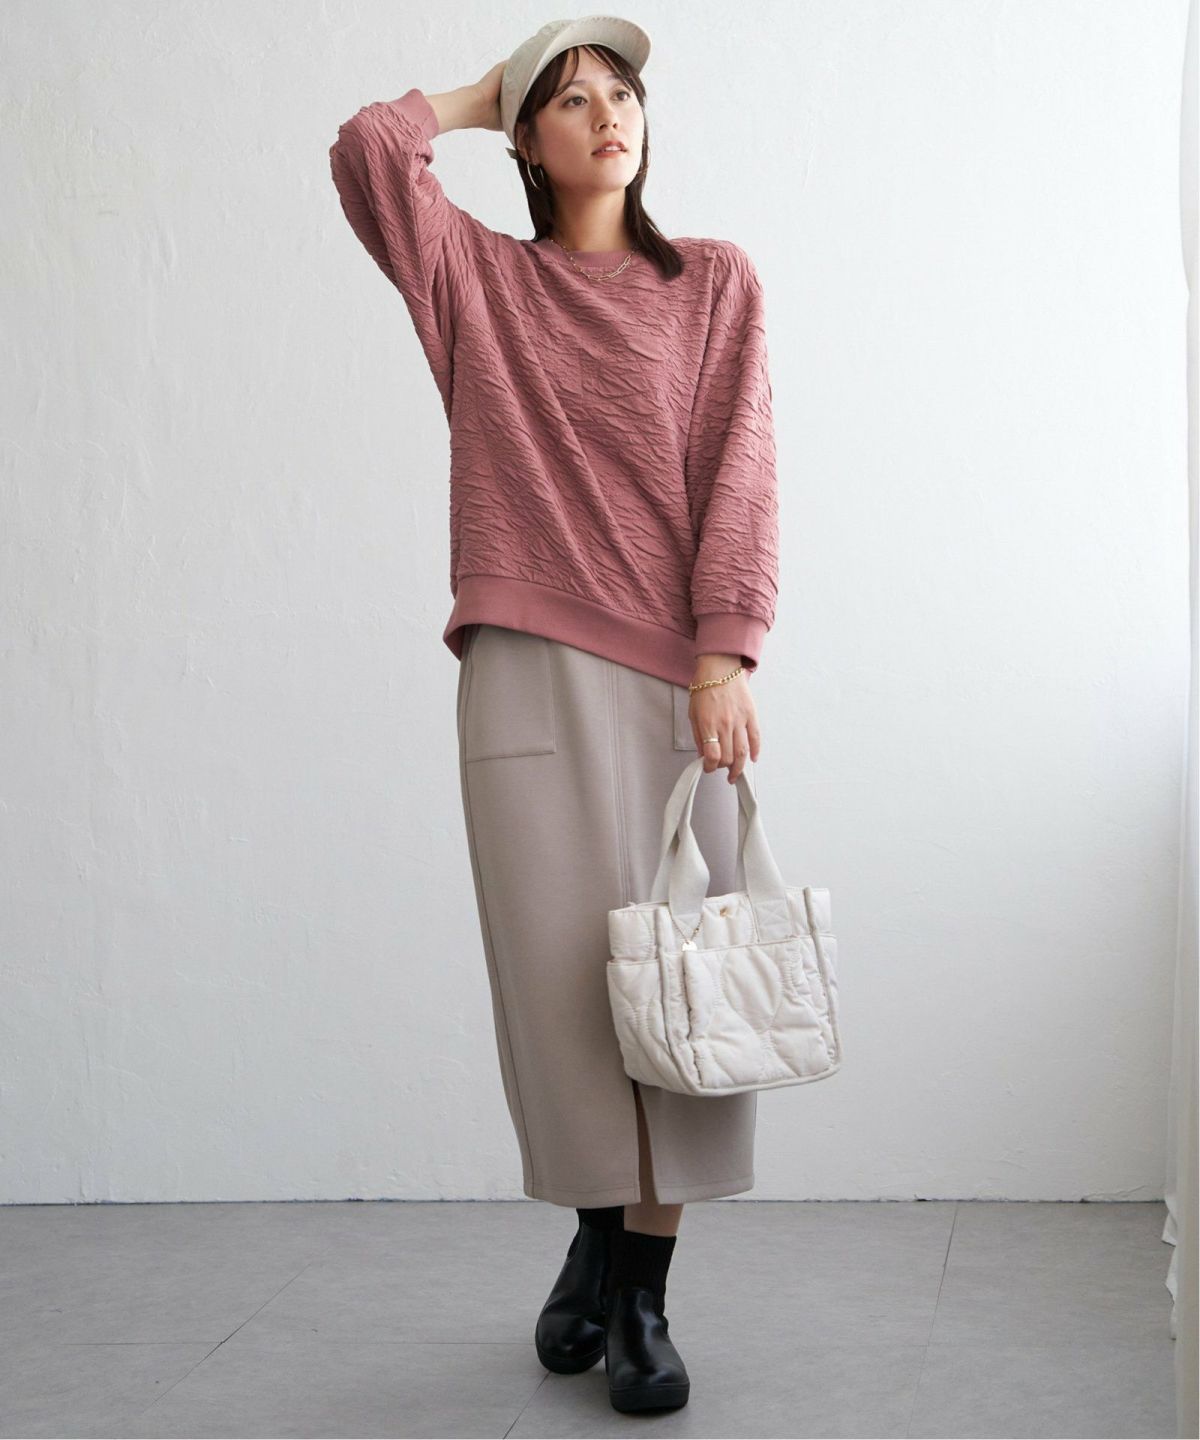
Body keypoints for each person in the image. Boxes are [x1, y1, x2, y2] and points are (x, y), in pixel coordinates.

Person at [328, 15, 780, 1414]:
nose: (608, 115)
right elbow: (368, 153)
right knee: (568, 993)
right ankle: (594, 1239)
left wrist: (727, 652)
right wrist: (491, 91)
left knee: (684, 983)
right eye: (573, 102)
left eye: (621, 92)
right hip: (524, 666)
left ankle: (640, 1295)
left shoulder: (713, 281)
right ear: (529, 143)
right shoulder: (478, 282)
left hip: (677, 682)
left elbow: (743, 467)